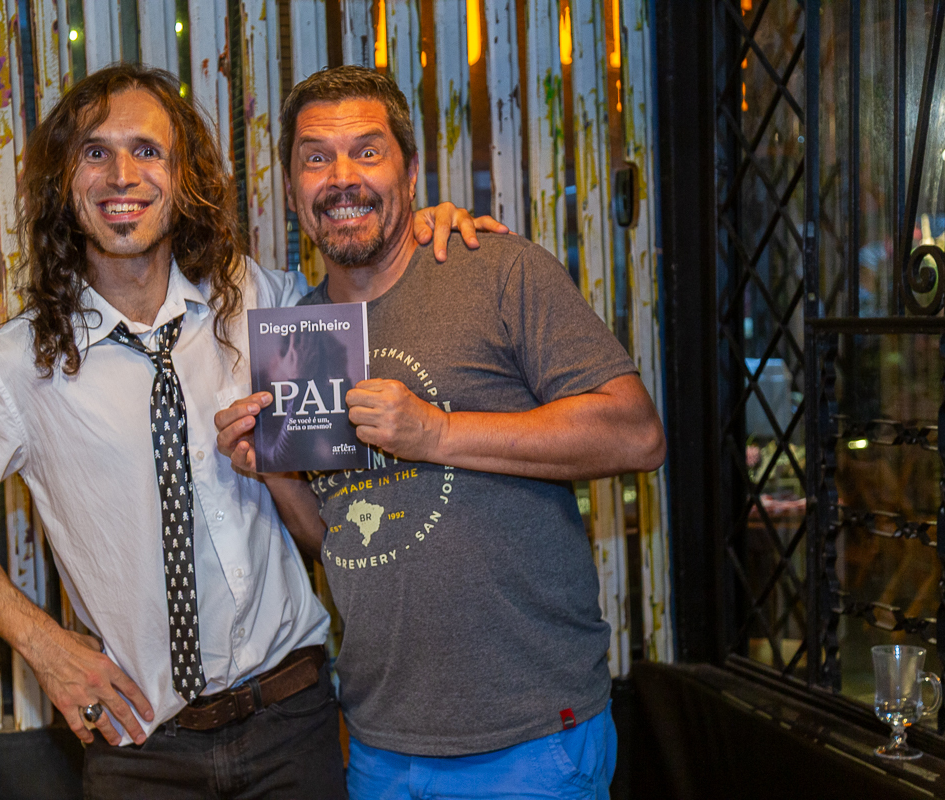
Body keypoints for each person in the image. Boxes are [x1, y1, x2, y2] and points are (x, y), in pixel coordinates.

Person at [0, 63, 501, 800]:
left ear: (184, 179)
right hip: (141, 747)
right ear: (64, 182)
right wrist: (44, 645)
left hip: (294, 720)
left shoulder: (262, 303)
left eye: (148, 151)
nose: (123, 175)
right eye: (95, 152)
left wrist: (423, 223)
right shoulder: (17, 365)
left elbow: (369, 289)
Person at [216, 66, 667, 800]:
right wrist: (267, 467)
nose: (341, 178)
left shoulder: (492, 270)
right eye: (315, 158)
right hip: (381, 743)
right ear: (291, 186)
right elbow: (337, 540)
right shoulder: (301, 334)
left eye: (367, 151)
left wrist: (434, 433)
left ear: (411, 169)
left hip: (528, 738)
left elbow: (636, 434)